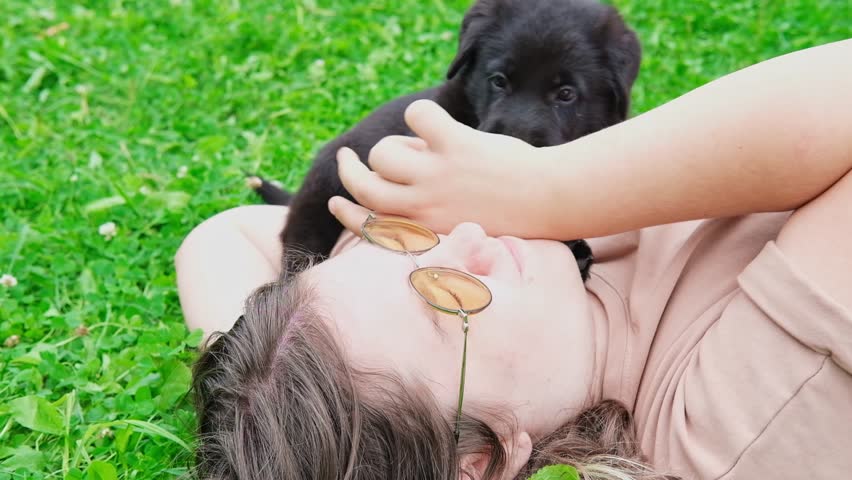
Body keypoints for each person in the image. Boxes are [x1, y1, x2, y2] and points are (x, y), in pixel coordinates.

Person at [176, 38, 852, 479]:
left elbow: (228, 236)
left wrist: (268, 411)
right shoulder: (733, 431)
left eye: (399, 244)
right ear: (484, 459)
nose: (465, 233)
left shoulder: (516, 301)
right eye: (446, 295)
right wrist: (547, 188)